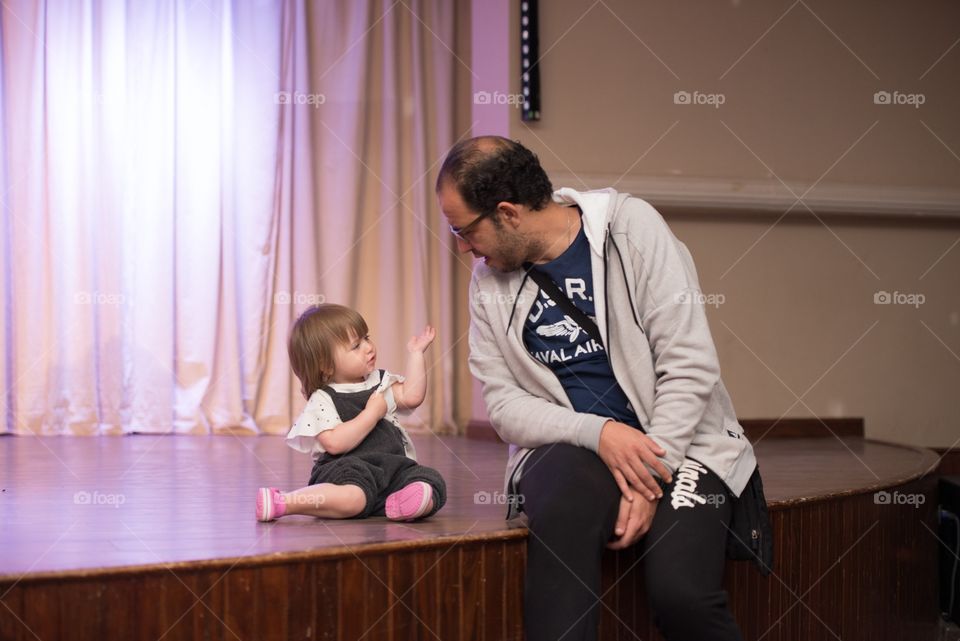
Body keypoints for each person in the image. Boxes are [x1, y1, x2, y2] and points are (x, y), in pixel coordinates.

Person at [437, 136, 761, 641]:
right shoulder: (488, 285)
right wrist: (600, 432)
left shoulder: (629, 229)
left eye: (463, 229)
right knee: (563, 503)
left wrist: (652, 473)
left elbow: (689, 364)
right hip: (575, 447)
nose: (460, 246)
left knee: (683, 595)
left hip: (682, 444)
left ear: (507, 212)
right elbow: (504, 406)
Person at [256, 303, 446, 523]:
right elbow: (335, 443)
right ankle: (285, 502)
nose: (368, 347)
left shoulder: (380, 382)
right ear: (326, 366)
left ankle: (403, 502)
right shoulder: (323, 399)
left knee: (431, 481)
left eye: (366, 337)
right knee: (355, 497)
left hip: (393, 469)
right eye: (356, 345)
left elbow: (413, 396)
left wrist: (416, 355)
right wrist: (371, 414)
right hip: (347, 471)